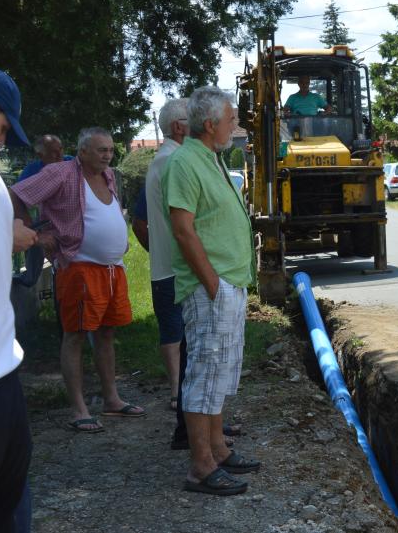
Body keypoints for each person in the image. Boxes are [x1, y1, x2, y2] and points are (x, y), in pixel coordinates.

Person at [11, 127, 146, 433]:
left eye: (110, 150)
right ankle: (79, 409)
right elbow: (17, 195)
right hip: (80, 268)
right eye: (101, 150)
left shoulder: (108, 175)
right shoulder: (61, 173)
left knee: (107, 332)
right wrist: (36, 232)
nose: (108, 155)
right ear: (83, 151)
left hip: (113, 269)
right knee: (74, 335)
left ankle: (111, 399)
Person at [162, 85, 258, 496]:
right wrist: (213, 284)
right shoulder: (185, 162)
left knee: (220, 373)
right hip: (210, 288)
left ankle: (217, 449)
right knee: (203, 376)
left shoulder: (211, 157)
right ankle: (200, 466)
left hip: (228, 284)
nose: (235, 126)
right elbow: (184, 231)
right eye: (231, 120)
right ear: (209, 124)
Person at [0, 69, 37, 533]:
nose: (3, 143)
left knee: (12, 503)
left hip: (4, 371)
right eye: (3, 128)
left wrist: (11, 235)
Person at [131, 99, 188, 412]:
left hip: (168, 263)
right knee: (176, 330)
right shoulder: (173, 161)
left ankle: (179, 393)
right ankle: (179, 395)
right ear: (179, 127)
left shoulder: (163, 159)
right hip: (177, 265)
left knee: (174, 328)